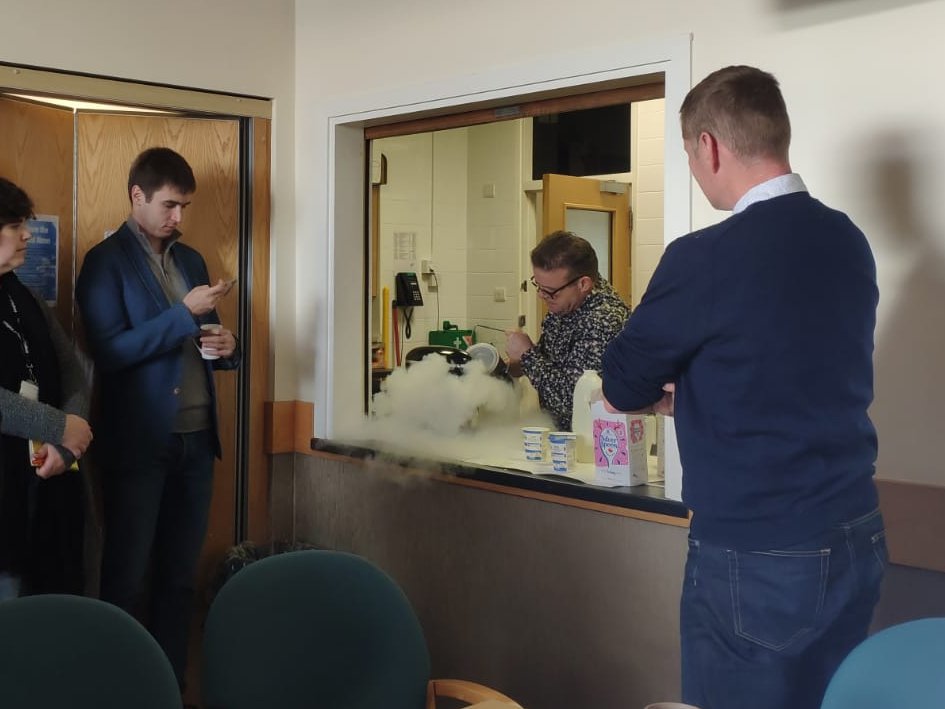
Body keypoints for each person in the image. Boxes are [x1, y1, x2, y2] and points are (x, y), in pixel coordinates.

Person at [601, 66, 886, 709]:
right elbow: (793, 365)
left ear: (709, 147)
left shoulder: (705, 257)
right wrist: (701, 394)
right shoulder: (848, 241)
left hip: (760, 552)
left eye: (690, 156)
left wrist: (669, 389)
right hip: (855, 531)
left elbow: (620, 386)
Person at [75, 147, 240, 688]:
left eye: (185, 208)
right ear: (137, 196)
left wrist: (226, 342)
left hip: (197, 442)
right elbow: (111, 351)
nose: (179, 219)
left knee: (178, 582)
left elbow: (206, 333)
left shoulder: (191, 260)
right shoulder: (103, 263)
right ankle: (118, 692)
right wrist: (182, 315)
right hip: (141, 445)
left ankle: (167, 691)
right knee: (126, 582)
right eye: (170, 205)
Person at [0, 177, 92, 600]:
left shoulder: (25, 296)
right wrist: (60, 427)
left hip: (48, 480)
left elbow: (72, 369)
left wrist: (66, 444)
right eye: (15, 225)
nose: (27, 234)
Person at [506, 230, 630, 430]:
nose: (541, 295)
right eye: (538, 285)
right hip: (566, 439)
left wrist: (527, 355)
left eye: (550, 291)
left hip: (596, 443)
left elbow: (573, 401)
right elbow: (554, 368)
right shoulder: (566, 305)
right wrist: (517, 365)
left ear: (583, 284)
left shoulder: (603, 320)